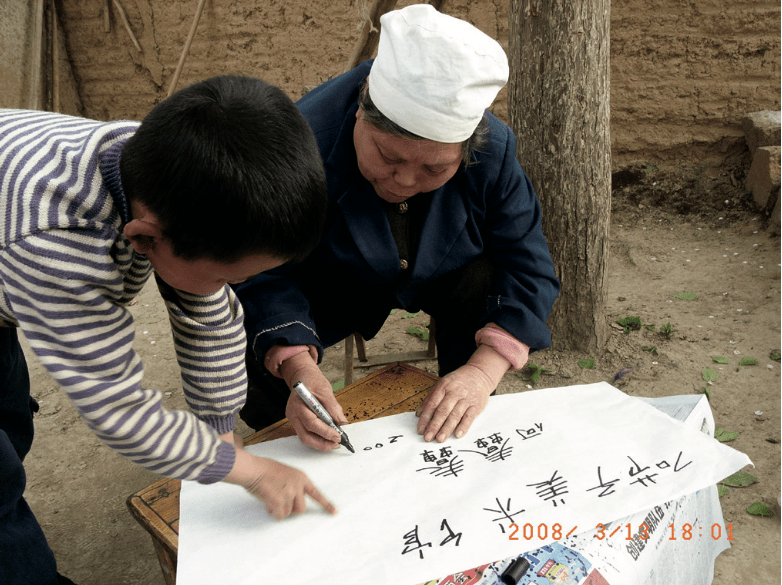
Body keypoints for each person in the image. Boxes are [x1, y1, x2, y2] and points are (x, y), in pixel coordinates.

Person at [0, 75, 335, 585]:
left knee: (9, 417)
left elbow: (208, 313)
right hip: (19, 239)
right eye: (229, 276)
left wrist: (222, 432)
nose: (231, 288)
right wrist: (249, 470)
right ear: (144, 237)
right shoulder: (57, 245)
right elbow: (119, 411)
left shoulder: (166, 173)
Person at [235, 5, 560, 452]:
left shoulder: (492, 149)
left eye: (434, 168)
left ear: (466, 148)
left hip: (444, 273)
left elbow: (528, 265)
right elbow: (266, 271)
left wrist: (482, 371)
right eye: (388, 158)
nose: (405, 181)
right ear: (360, 112)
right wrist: (296, 369)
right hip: (329, 278)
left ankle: (459, 416)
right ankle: (288, 440)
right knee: (248, 342)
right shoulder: (299, 141)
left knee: (483, 278)